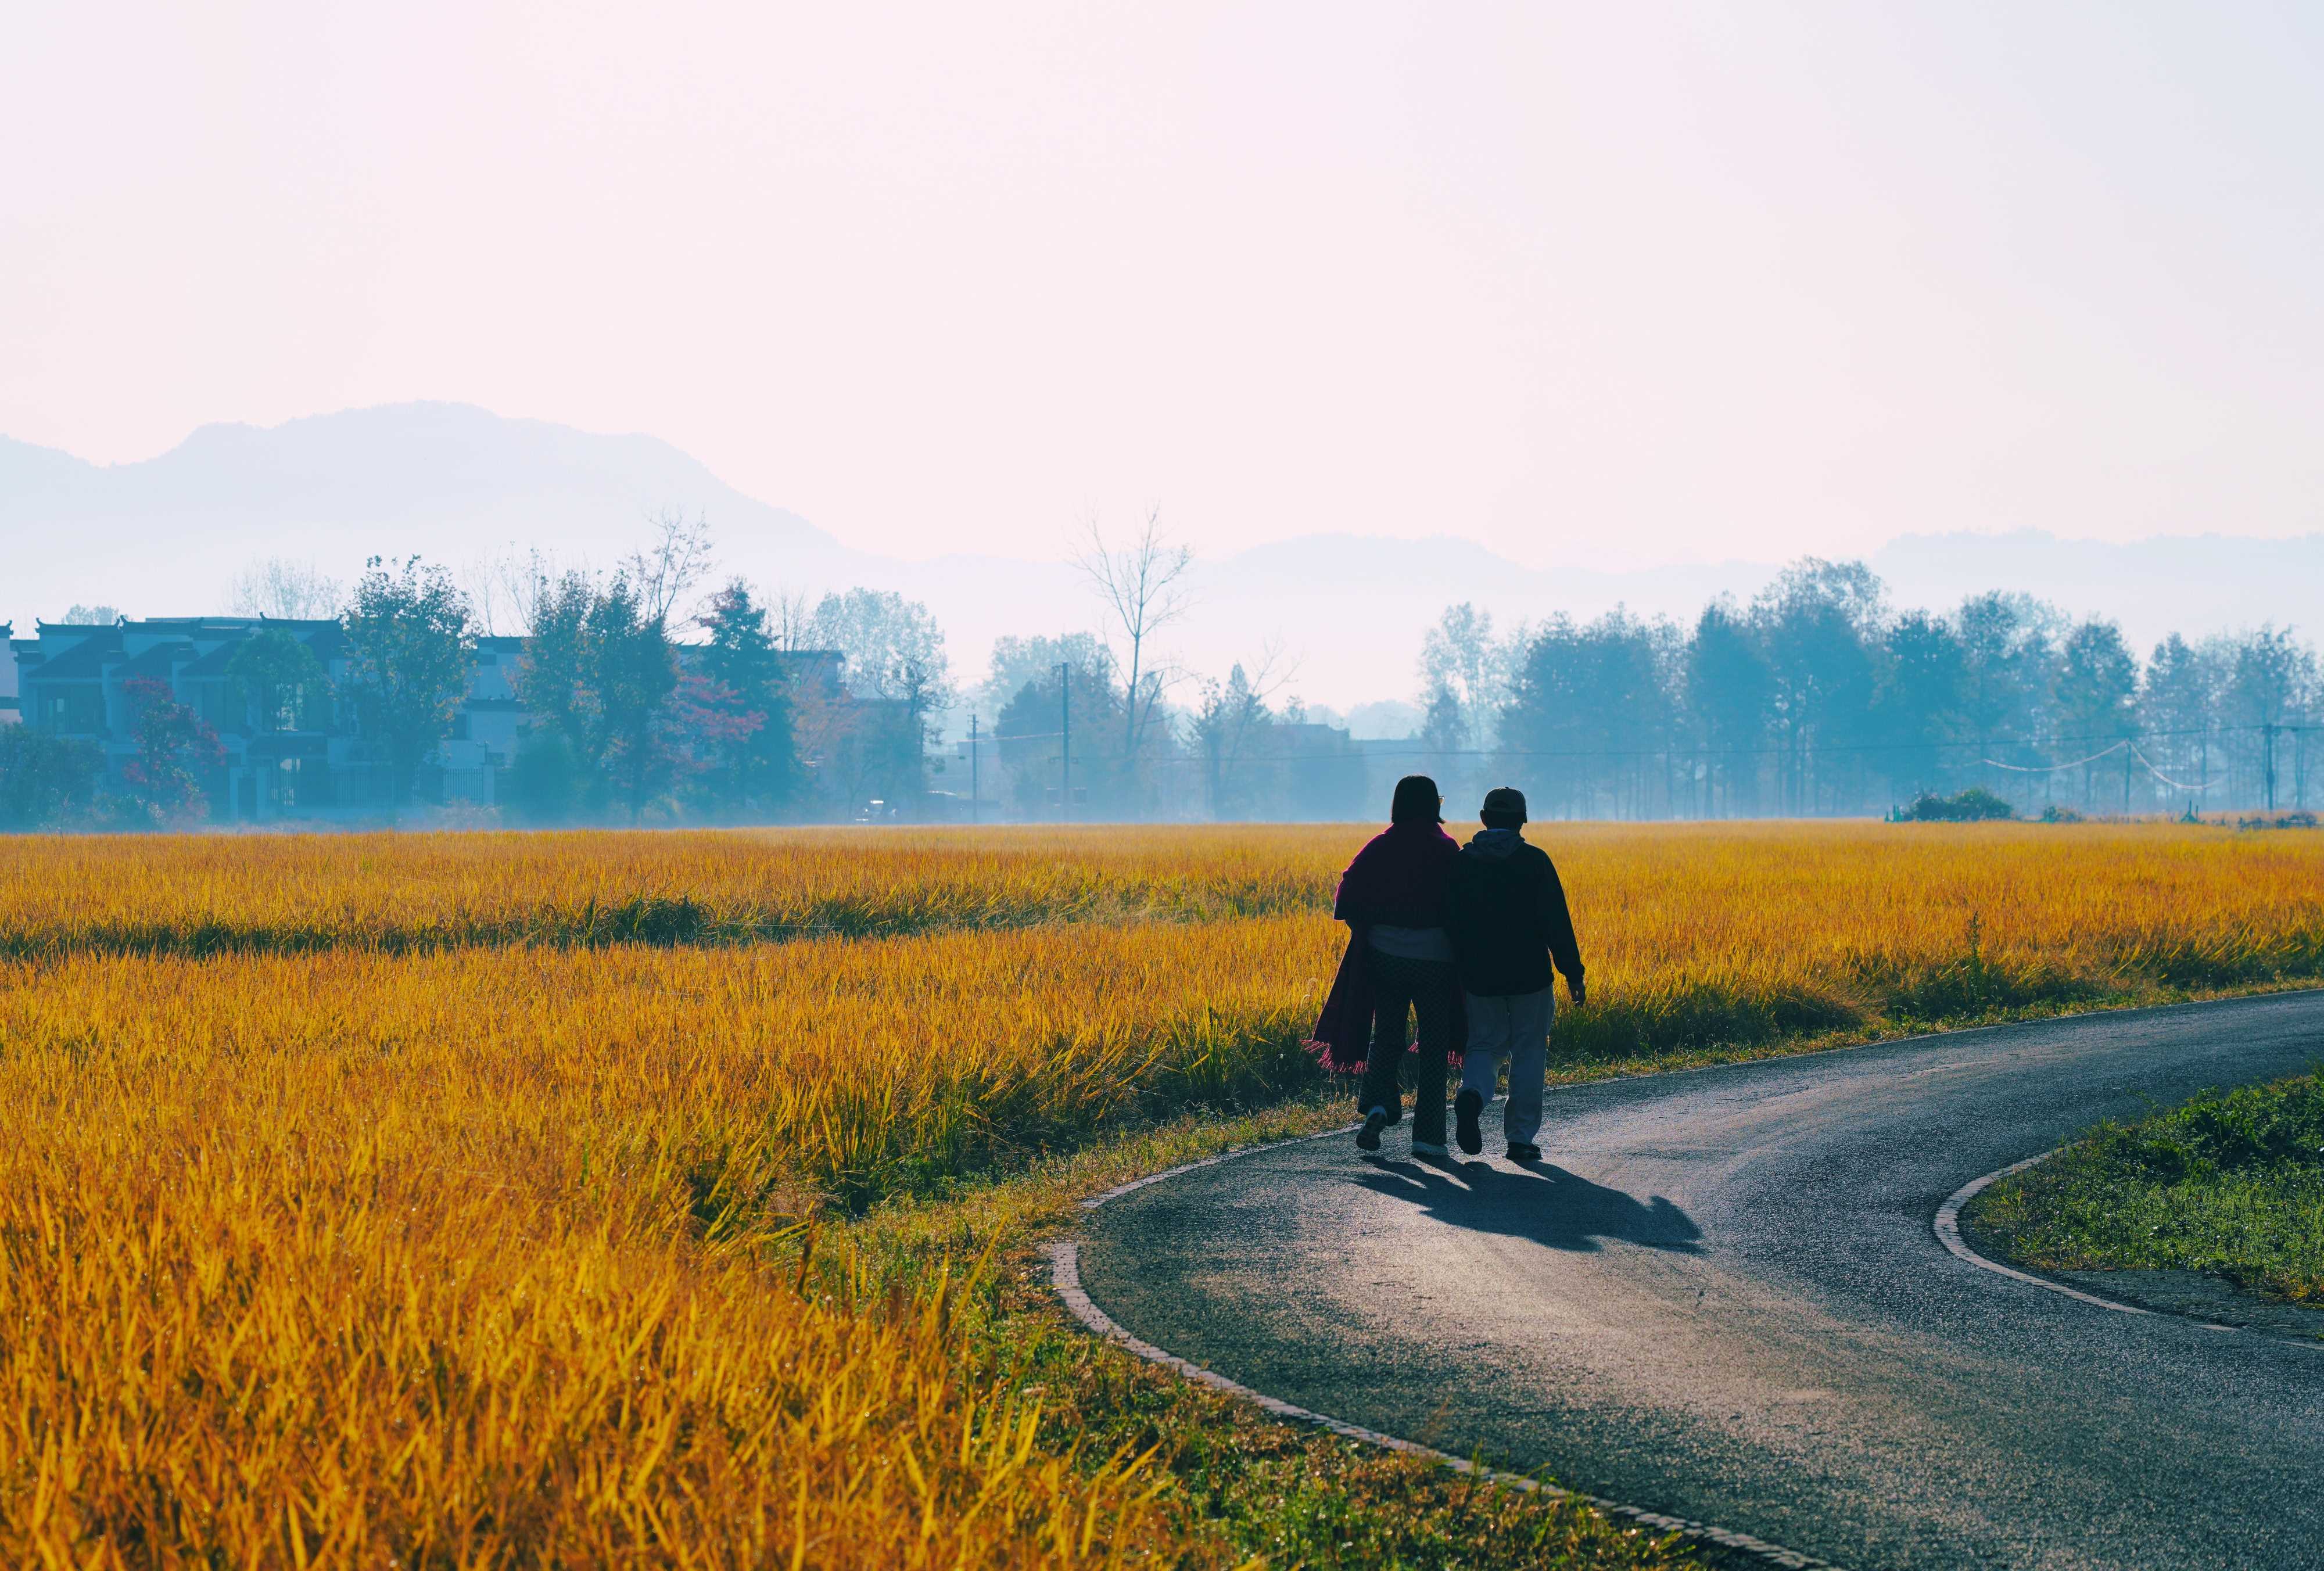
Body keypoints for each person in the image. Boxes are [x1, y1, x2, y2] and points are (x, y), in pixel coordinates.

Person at [1319, 774, 1466, 1155]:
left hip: (1385, 959)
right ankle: (1428, 1138)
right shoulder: (1446, 849)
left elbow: (1346, 898)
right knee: (1434, 1046)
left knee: (1387, 1037)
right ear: (1435, 805)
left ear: (1398, 804)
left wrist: (1371, 929)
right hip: (1435, 962)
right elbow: (1465, 907)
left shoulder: (1380, 847)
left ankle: (1381, 1105)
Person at [1445, 786, 1585, 1161]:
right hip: (1530, 976)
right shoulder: (1534, 861)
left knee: (1484, 1046)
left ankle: (1472, 1096)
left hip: (1478, 977)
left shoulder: (1461, 863)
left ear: (1484, 818)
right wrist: (1573, 973)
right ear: (1522, 820)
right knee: (1529, 1051)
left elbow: (1450, 923)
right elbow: (1557, 922)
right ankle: (1520, 1139)